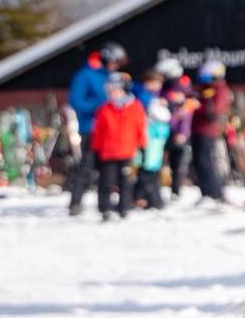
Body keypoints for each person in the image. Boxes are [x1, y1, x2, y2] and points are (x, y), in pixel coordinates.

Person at [66, 42, 128, 216]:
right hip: (91, 129)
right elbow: (76, 102)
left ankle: (105, 204)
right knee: (86, 166)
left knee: (109, 171)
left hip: (112, 131)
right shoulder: (86, 75)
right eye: (115, 62)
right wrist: (101, 105)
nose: (117, 66)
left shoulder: (112, 77)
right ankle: (75, 202)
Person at [89, 77, 146, 221]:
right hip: (108, 153)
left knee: (126, 182)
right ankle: (105, 209)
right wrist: (96, 150)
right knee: (106, 182)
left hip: (128, 152)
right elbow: (98, 132)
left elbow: (140, 128)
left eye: (115, 91)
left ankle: (124, 208)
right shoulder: (104, 109)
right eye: (110, 91)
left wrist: (142, 147)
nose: (112, 94)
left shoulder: (135, 107)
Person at [190, 61, 231, 203]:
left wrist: (198, 105)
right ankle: (206, 193)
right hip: (198, 130)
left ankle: (213, 193)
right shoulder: (204, 89)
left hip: (207, 131)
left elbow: (214, 111)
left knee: (205, 162)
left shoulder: (219, 89)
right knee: (199, 162)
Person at [136, 73, 171, 212]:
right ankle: (152, 200)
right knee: (149, 168)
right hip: (149, 137)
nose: (159, 86)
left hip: (155, 138)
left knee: (152, 168)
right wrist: (159, 104)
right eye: (156, 83)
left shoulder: (152, 97)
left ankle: (145, 198)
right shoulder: (146, 97)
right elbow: (162, 115)